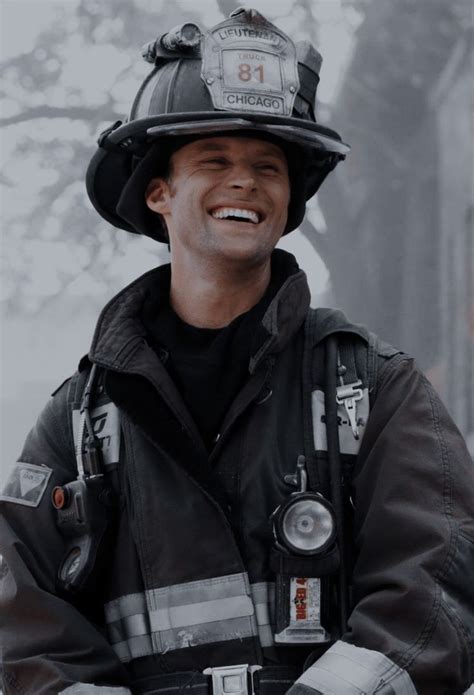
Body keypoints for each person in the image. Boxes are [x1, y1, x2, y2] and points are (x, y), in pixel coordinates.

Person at [0, 8, 473, 695]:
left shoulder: (372, 388)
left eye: (267, 166)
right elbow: (21, 612)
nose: (245, 180)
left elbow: (442, 579)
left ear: (287, 200)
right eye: (214, 160)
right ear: (158, 192)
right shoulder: (79, 421)